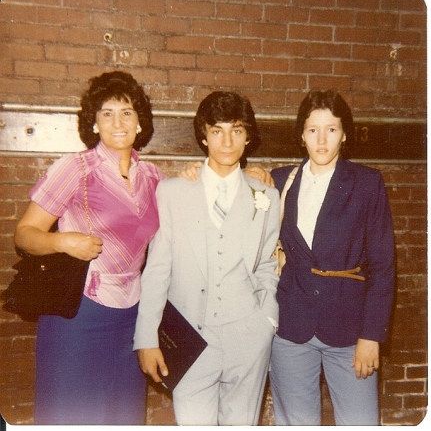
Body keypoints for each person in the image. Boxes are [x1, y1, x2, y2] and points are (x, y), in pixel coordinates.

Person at [14, 71, 167, 425]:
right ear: (94, 124)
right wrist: (61, 241)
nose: (117, 122)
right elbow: (24, 234)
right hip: (79, 313)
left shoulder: (153, 177)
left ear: (140, 122)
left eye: (126, 112)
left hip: (133, 316)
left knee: (123, 418)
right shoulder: (76, 167)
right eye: (106, 113)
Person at [133, 91, 280, 425]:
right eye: (217, 130)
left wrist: (265, 323)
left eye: (237, 130)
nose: (227, 141)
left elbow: (267, 266)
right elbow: (157, 269)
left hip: (248, 337)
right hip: (190, 338)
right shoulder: (172, 192)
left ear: (247, 137)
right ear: (203, 135)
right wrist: (146, 337)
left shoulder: (266, 196)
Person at [269, 89, 395, 425]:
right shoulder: (280, 181)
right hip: (291, 327)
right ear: (301, 135)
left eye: (331, 129)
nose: (322, 140)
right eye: (313, 130)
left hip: (351, 329)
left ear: (345, 134)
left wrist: (372, 336)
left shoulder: (367, 183)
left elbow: (383, 267)